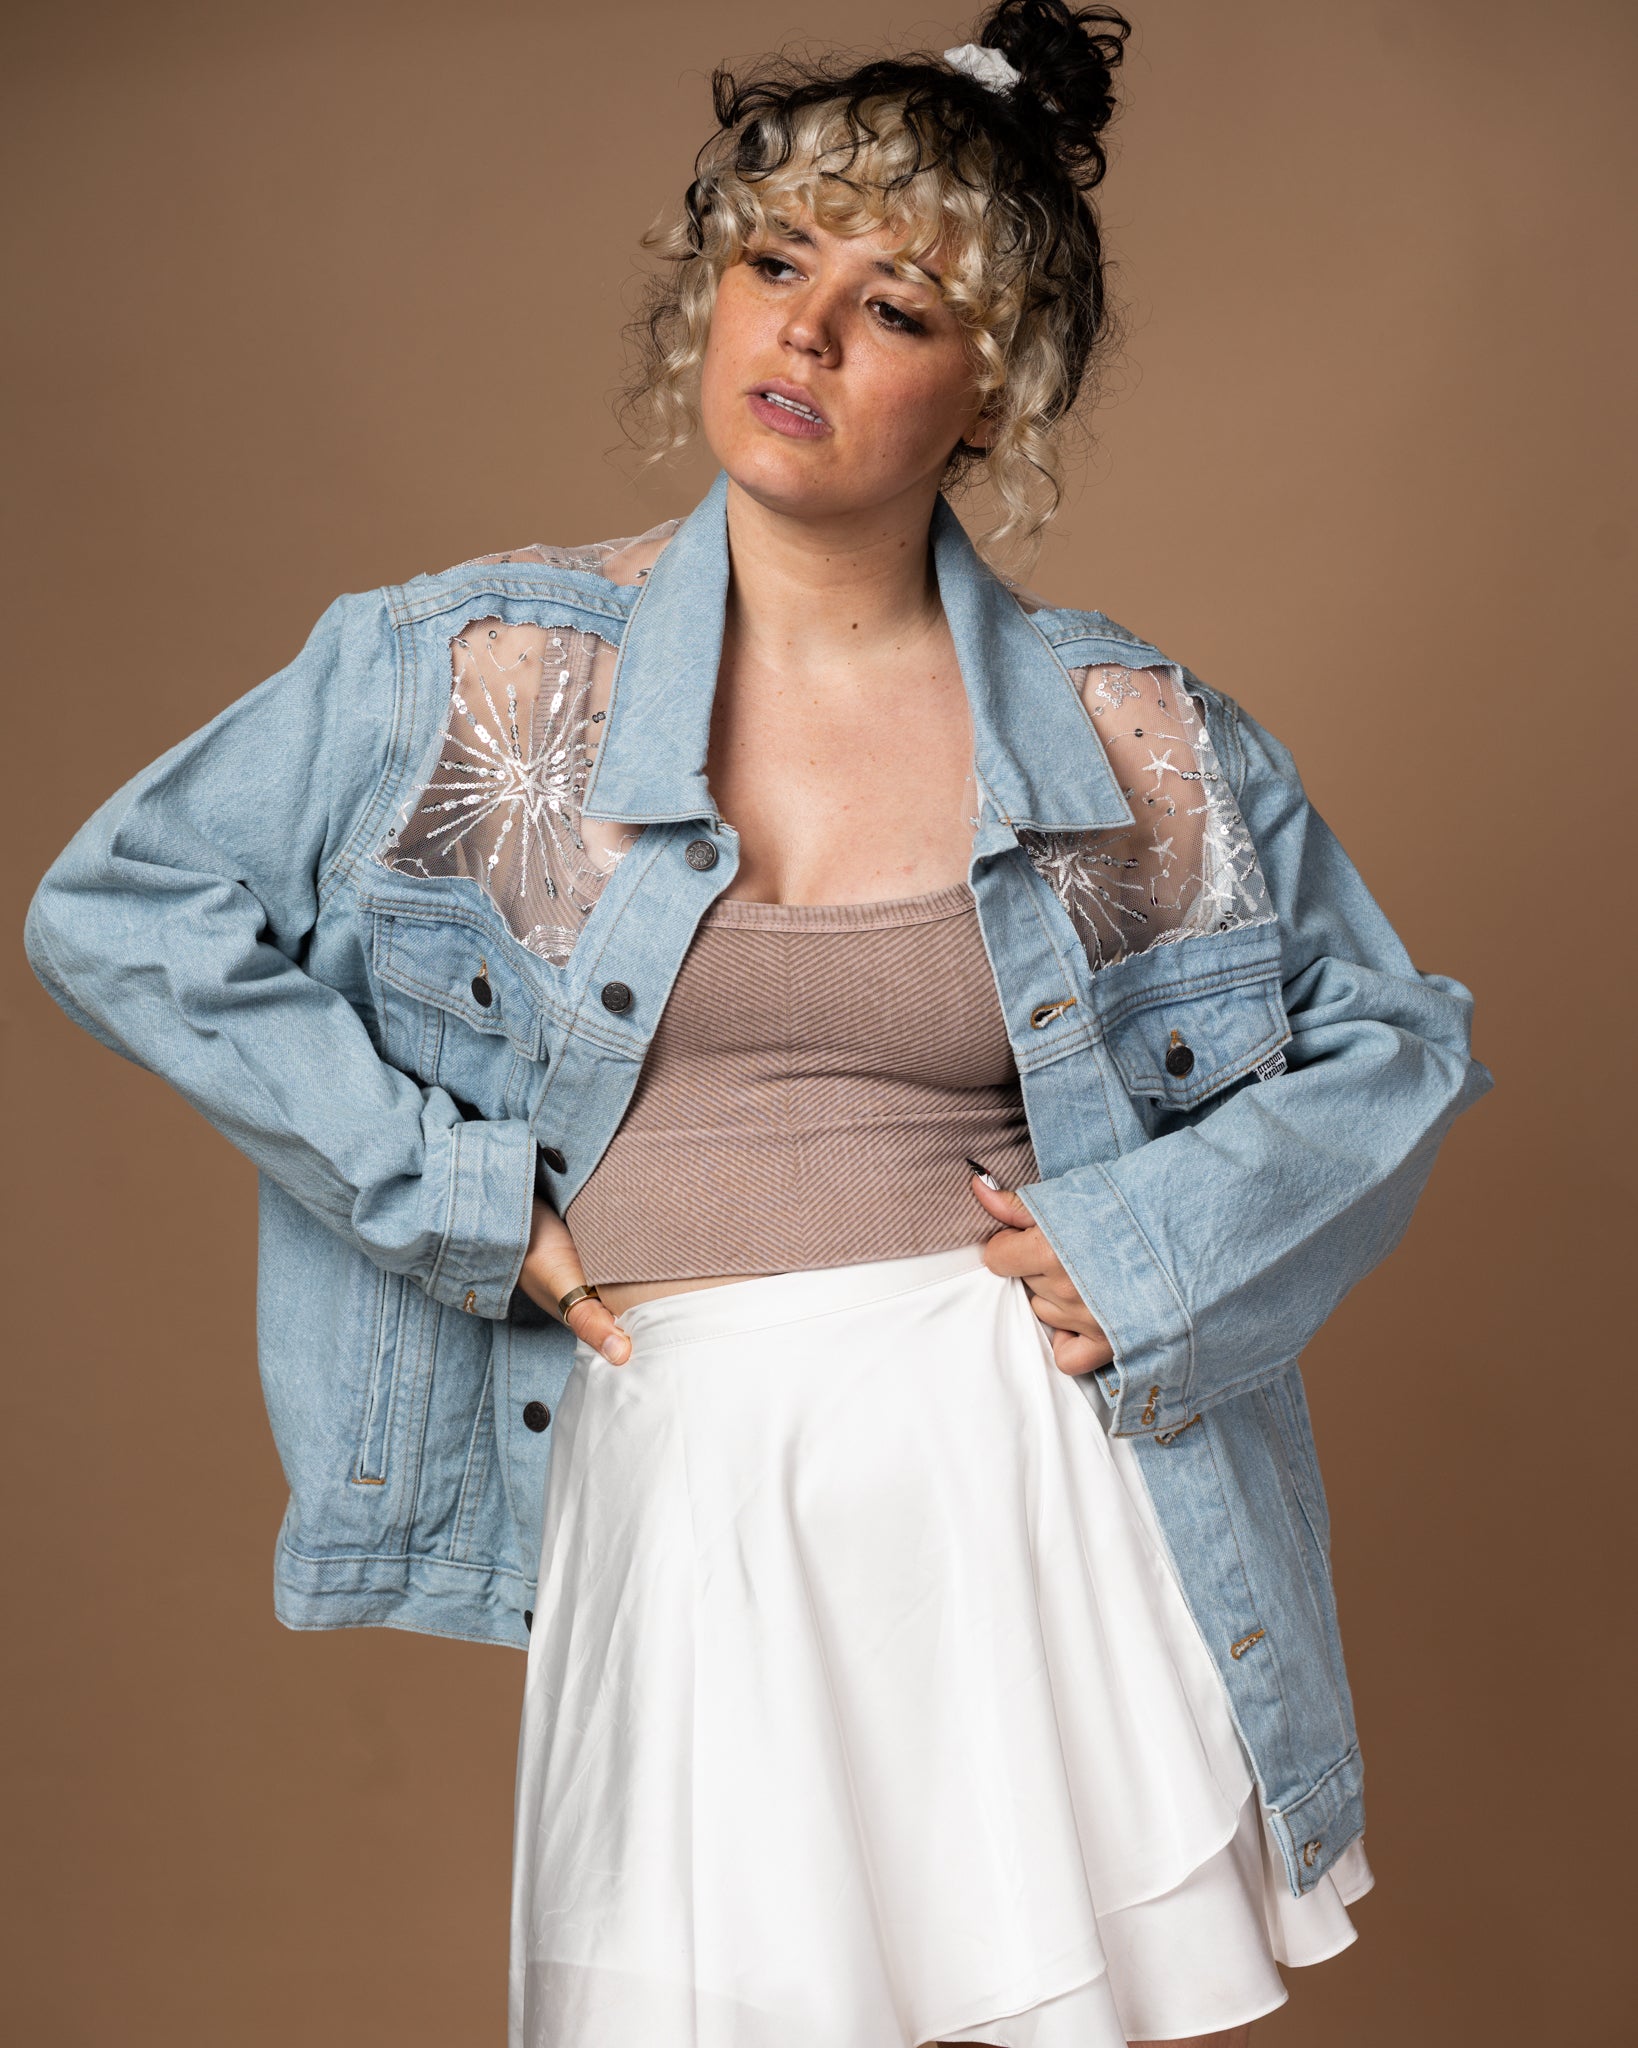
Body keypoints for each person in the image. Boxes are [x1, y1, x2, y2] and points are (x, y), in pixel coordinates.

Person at [23, 4, 1491, 2045]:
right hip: (690, 1470)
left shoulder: (1129, 734)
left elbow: (1397, 1038)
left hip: (1017, 1483)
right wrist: (449, 1193)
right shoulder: (468, 675)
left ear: (990, 394)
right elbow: (118, 904)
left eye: (895, 308)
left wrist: (1148, 1249)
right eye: (776, 260)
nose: (802, 332)